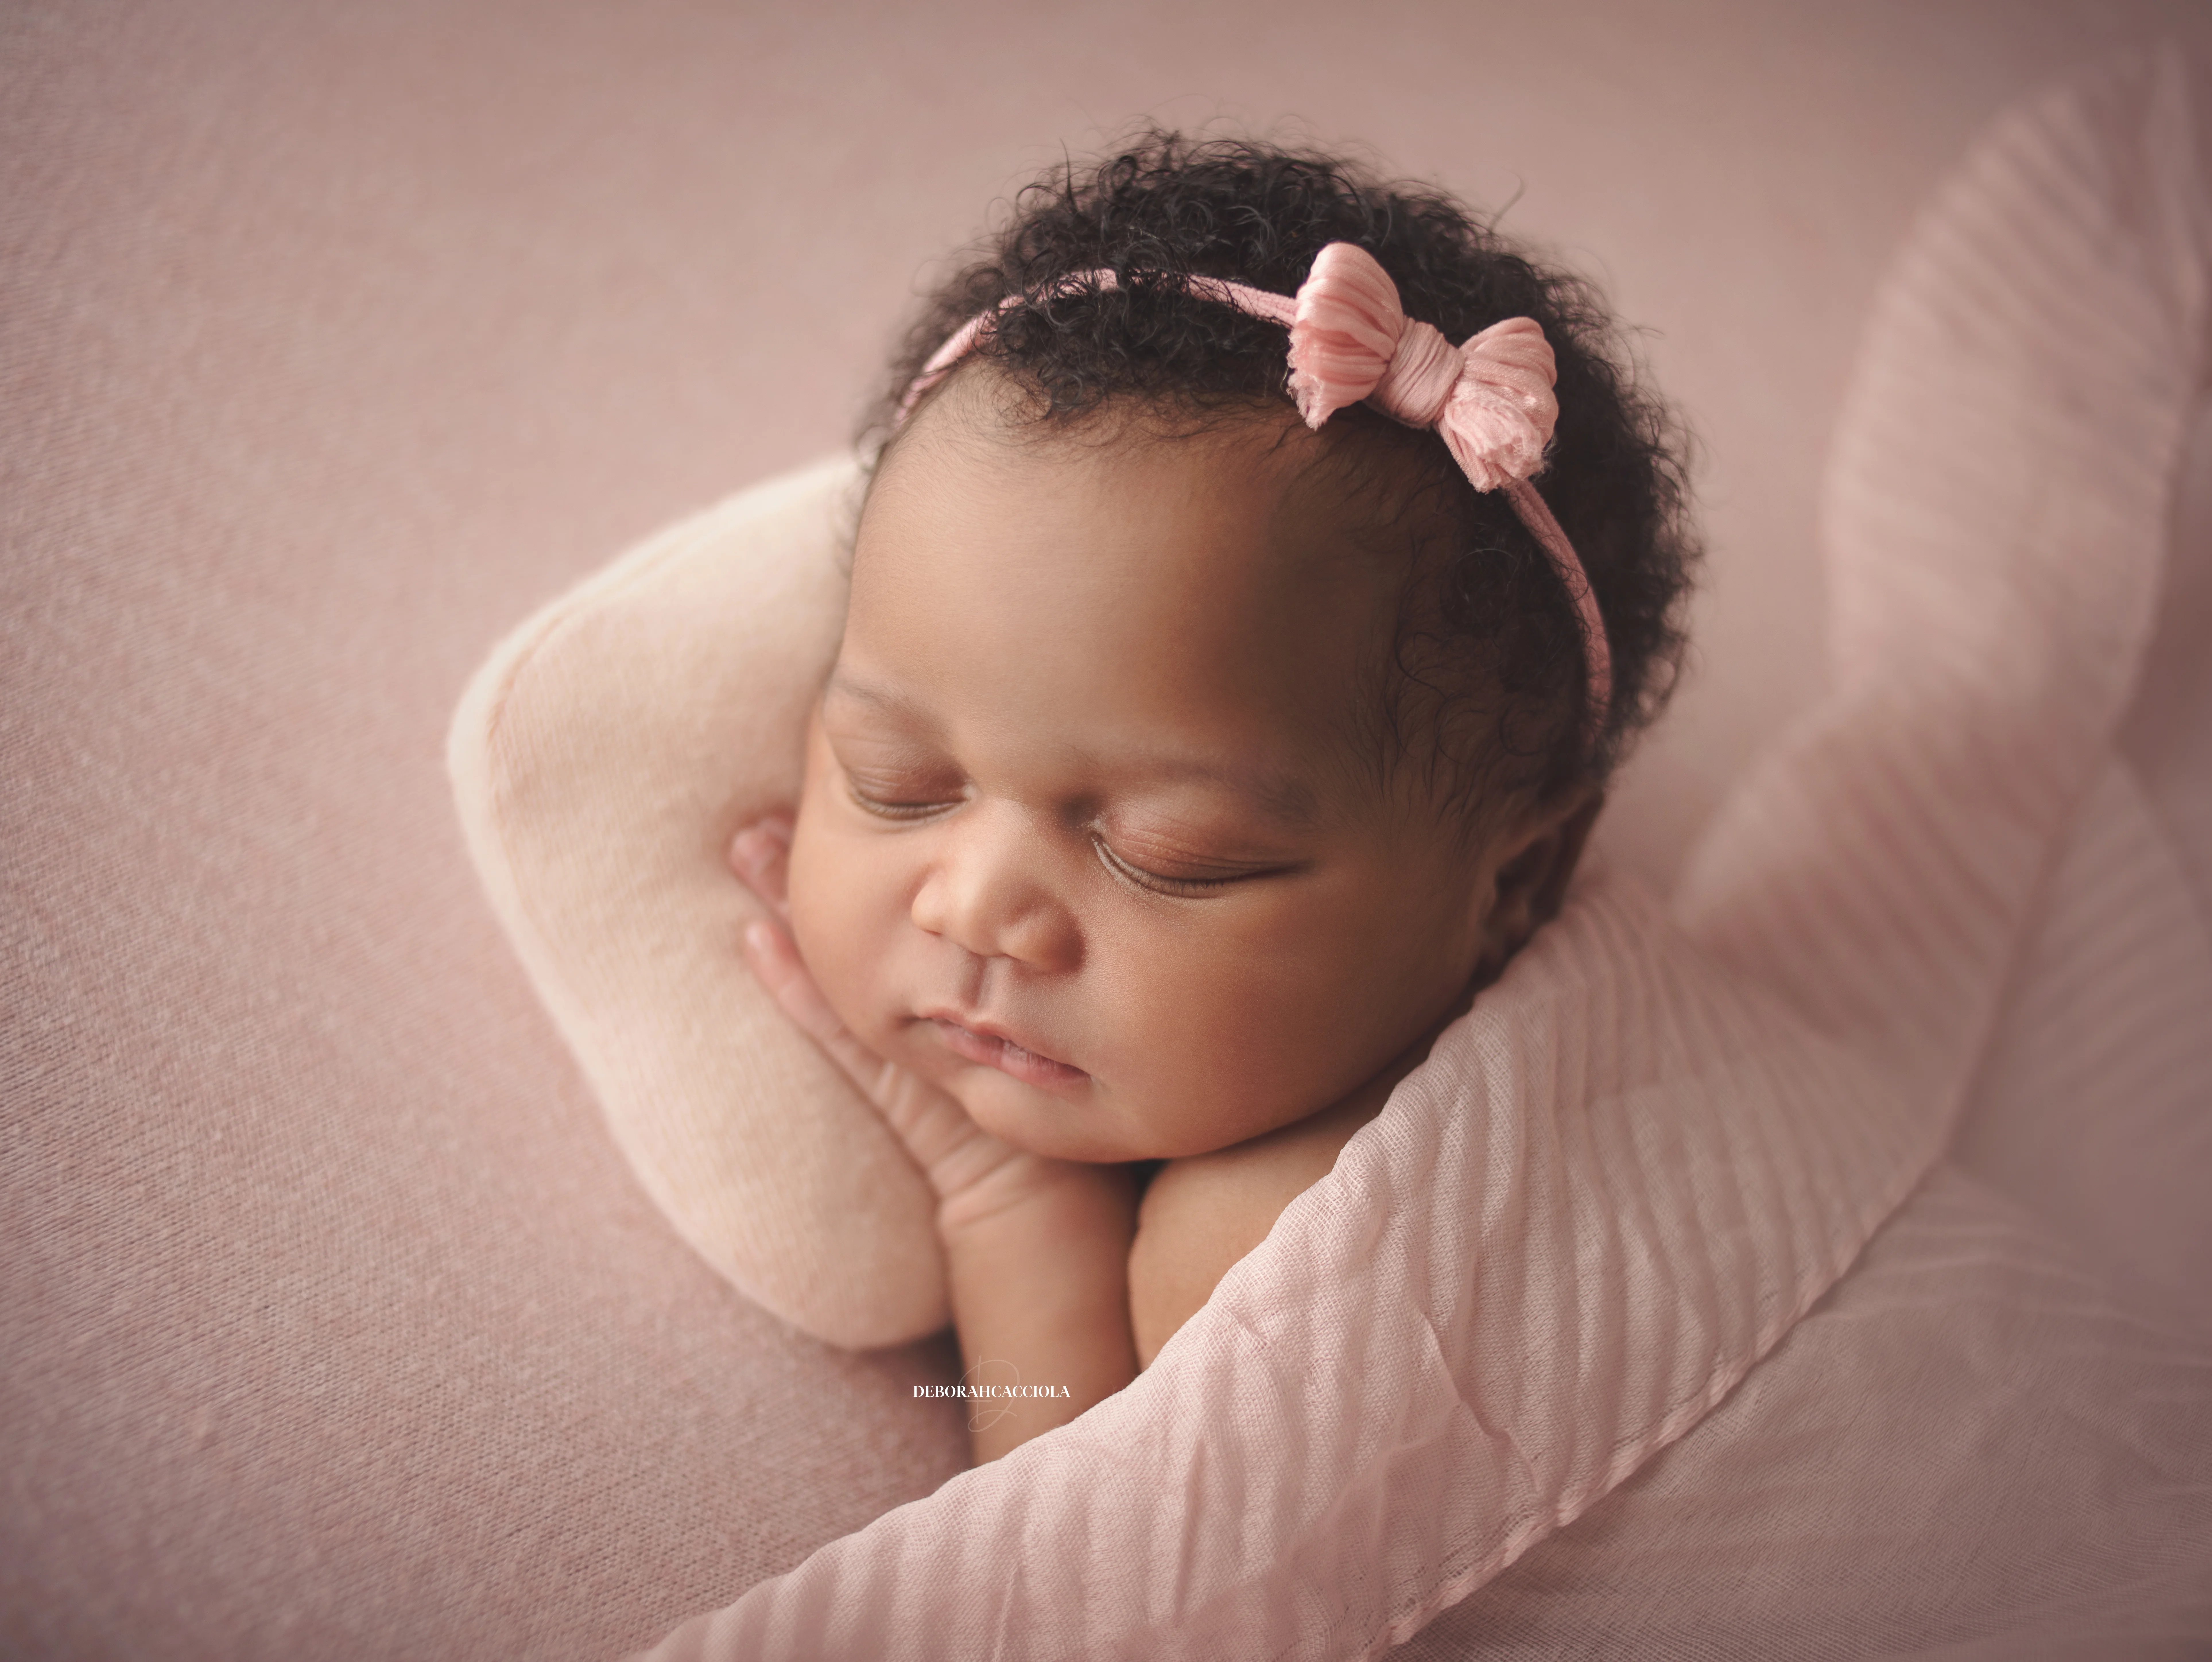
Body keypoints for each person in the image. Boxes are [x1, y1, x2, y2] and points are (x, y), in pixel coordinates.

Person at [726, 133, 1694, 1463]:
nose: (980, 906)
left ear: (1517, 881)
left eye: (1173, 855)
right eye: (895, 783)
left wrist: (1006, 1197)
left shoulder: (1285, 1235)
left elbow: (1080, 1571)